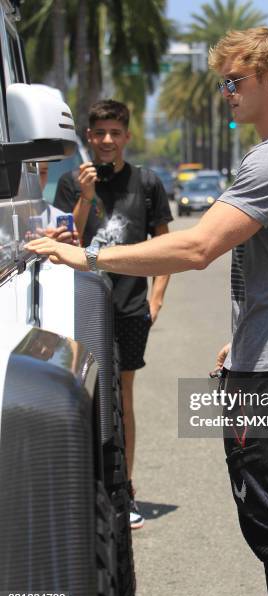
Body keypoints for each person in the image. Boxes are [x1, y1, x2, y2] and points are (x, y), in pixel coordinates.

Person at [27, 27, 268, 596]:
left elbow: (197, 249)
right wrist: (244, 336)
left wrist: (86, 254)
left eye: (235, 80)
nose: (226, 92)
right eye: (222, 81)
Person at [53, 100, 173, 529]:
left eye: (114, 133)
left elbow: (165, 245)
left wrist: (155, 299)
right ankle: (86, 488)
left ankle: (126, 490)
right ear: (89, 137)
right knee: (82, 398)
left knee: (123, 399)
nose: (107, 140)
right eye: (99, 132)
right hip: (81, 306)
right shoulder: (71, 183)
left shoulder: (146, 182)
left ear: (126, 136)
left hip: (129, 309)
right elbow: (66, 238)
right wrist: (85, 199)